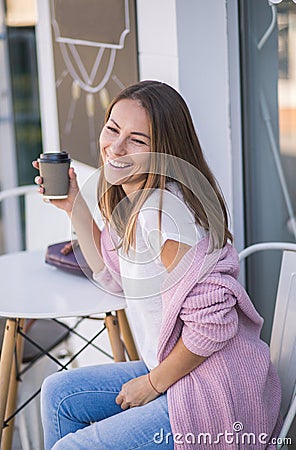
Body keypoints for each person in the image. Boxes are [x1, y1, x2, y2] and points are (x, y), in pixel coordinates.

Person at [33, 80, 282, 450]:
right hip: (180, 375)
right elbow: (112, 276)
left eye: (137, 140)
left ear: (164, 151)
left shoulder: (164, 215)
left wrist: (151, 385)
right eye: (113, 129)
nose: (115, 148)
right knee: (59, 394)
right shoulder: (136, 201)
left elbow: (214, 324)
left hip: (216, 396)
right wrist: (74, 206)